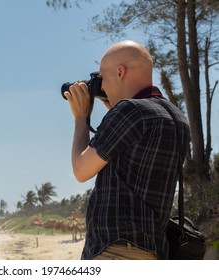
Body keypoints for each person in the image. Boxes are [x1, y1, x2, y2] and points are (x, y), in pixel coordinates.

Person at [63, 40, 190, 260]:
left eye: (102, 78)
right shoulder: (177, 118)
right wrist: (112, 106)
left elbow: (81, 170)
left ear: (120, 72)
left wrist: (80, 117)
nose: (101, 86)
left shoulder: (130, 111)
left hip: (115, 250)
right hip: (153, 250)